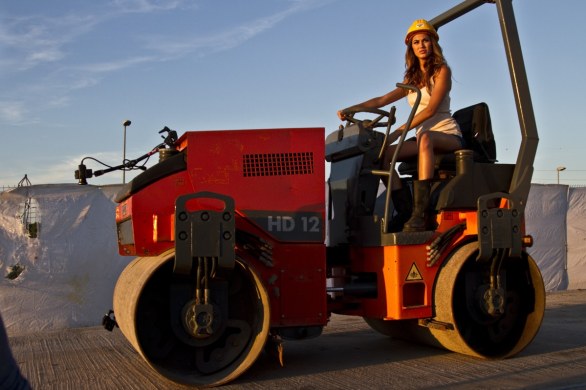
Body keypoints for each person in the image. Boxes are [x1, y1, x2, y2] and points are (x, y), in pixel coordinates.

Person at [337, 19, 462, 232]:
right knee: (385, 155)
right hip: (424, 138)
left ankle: (421, 213)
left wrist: (397, 132)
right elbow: (381, 100)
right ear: (411, 48)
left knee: (425, 138)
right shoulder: (411, 79)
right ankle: (405, 211)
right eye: (416, 42)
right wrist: (352, 108)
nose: (421, 45)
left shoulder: (441, 71)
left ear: (433, 43)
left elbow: (430, 110)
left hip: (446, 134)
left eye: (425, 40)